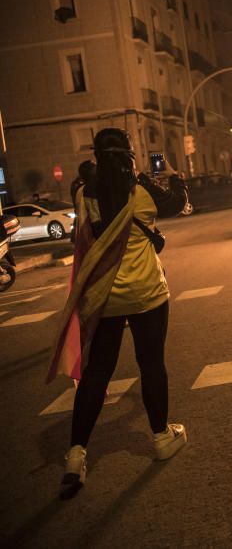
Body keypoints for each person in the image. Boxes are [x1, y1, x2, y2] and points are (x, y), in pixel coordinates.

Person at [47, 128, 189, 497]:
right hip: (147, 295)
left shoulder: (83, 192)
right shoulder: (141, 190)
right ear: (128, 153)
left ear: (96, 155)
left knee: (97, 373)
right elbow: (176, 203)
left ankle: (76, 456)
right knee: (151, 363)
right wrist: (171, 171)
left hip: (105, 298)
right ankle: (161, 436)